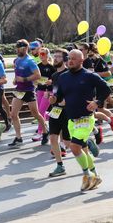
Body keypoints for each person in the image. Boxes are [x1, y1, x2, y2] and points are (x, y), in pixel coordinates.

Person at [50, 49, 112, 191]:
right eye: (69, 58)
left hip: (86, 119)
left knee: (74, 147)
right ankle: (96, 175)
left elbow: (106, 89)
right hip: (71, 120)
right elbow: (59, 96)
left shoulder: (90, 76)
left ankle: (87, 175)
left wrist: (97, 102)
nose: (70, 61)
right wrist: (54, 99)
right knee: (83, 150)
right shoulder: (63, 77)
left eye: (73, 58)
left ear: (81, 61)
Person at [8, 39, 49, 147]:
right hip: (19, 90)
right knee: (13, 114)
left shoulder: (30, 61)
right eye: (17, 47)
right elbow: (17, 73)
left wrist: (24, 79)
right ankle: (18, 137)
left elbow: (38, 75)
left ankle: (45, 132)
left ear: (26, 48)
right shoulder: (16, 60)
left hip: (29, 90)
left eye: (20, 47)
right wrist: (16, 80)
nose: (17, 49)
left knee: (35, 114)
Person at [48, 48, 70, 177]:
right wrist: (52, 98)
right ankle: (60, 166)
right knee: (53, 138)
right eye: (55, 56)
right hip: (56, 110)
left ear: (65, 59)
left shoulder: (69, 74)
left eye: (59, 57)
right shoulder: (54, 75)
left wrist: (66, 101)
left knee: (68, 143)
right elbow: (56, 92)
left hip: (68, 111)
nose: (55, 58)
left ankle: (88, 142)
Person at [32, 47, 56, 141]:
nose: (41, 56)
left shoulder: (52, 67)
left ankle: (40, 132)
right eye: (39, 54)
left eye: (43, 54)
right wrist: (35, 82)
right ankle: (52, 117)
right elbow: (34, 79)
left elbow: (56, 79)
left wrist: (51, 82)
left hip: (48, 92)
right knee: (41, 111)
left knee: (40, 112)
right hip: (39, 90)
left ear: (47, 55)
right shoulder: (37, 66)